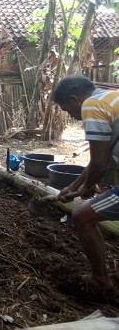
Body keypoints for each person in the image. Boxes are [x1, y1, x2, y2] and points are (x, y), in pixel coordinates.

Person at [53, 74, 118, 292]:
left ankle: (100, 279)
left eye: (67, 110)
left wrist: (87, 188)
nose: (72, 116)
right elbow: (99, 160)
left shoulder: (92, 105)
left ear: (74, 100)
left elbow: (100, 164)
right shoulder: (111, 97)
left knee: (82, 216)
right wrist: (73, 188)